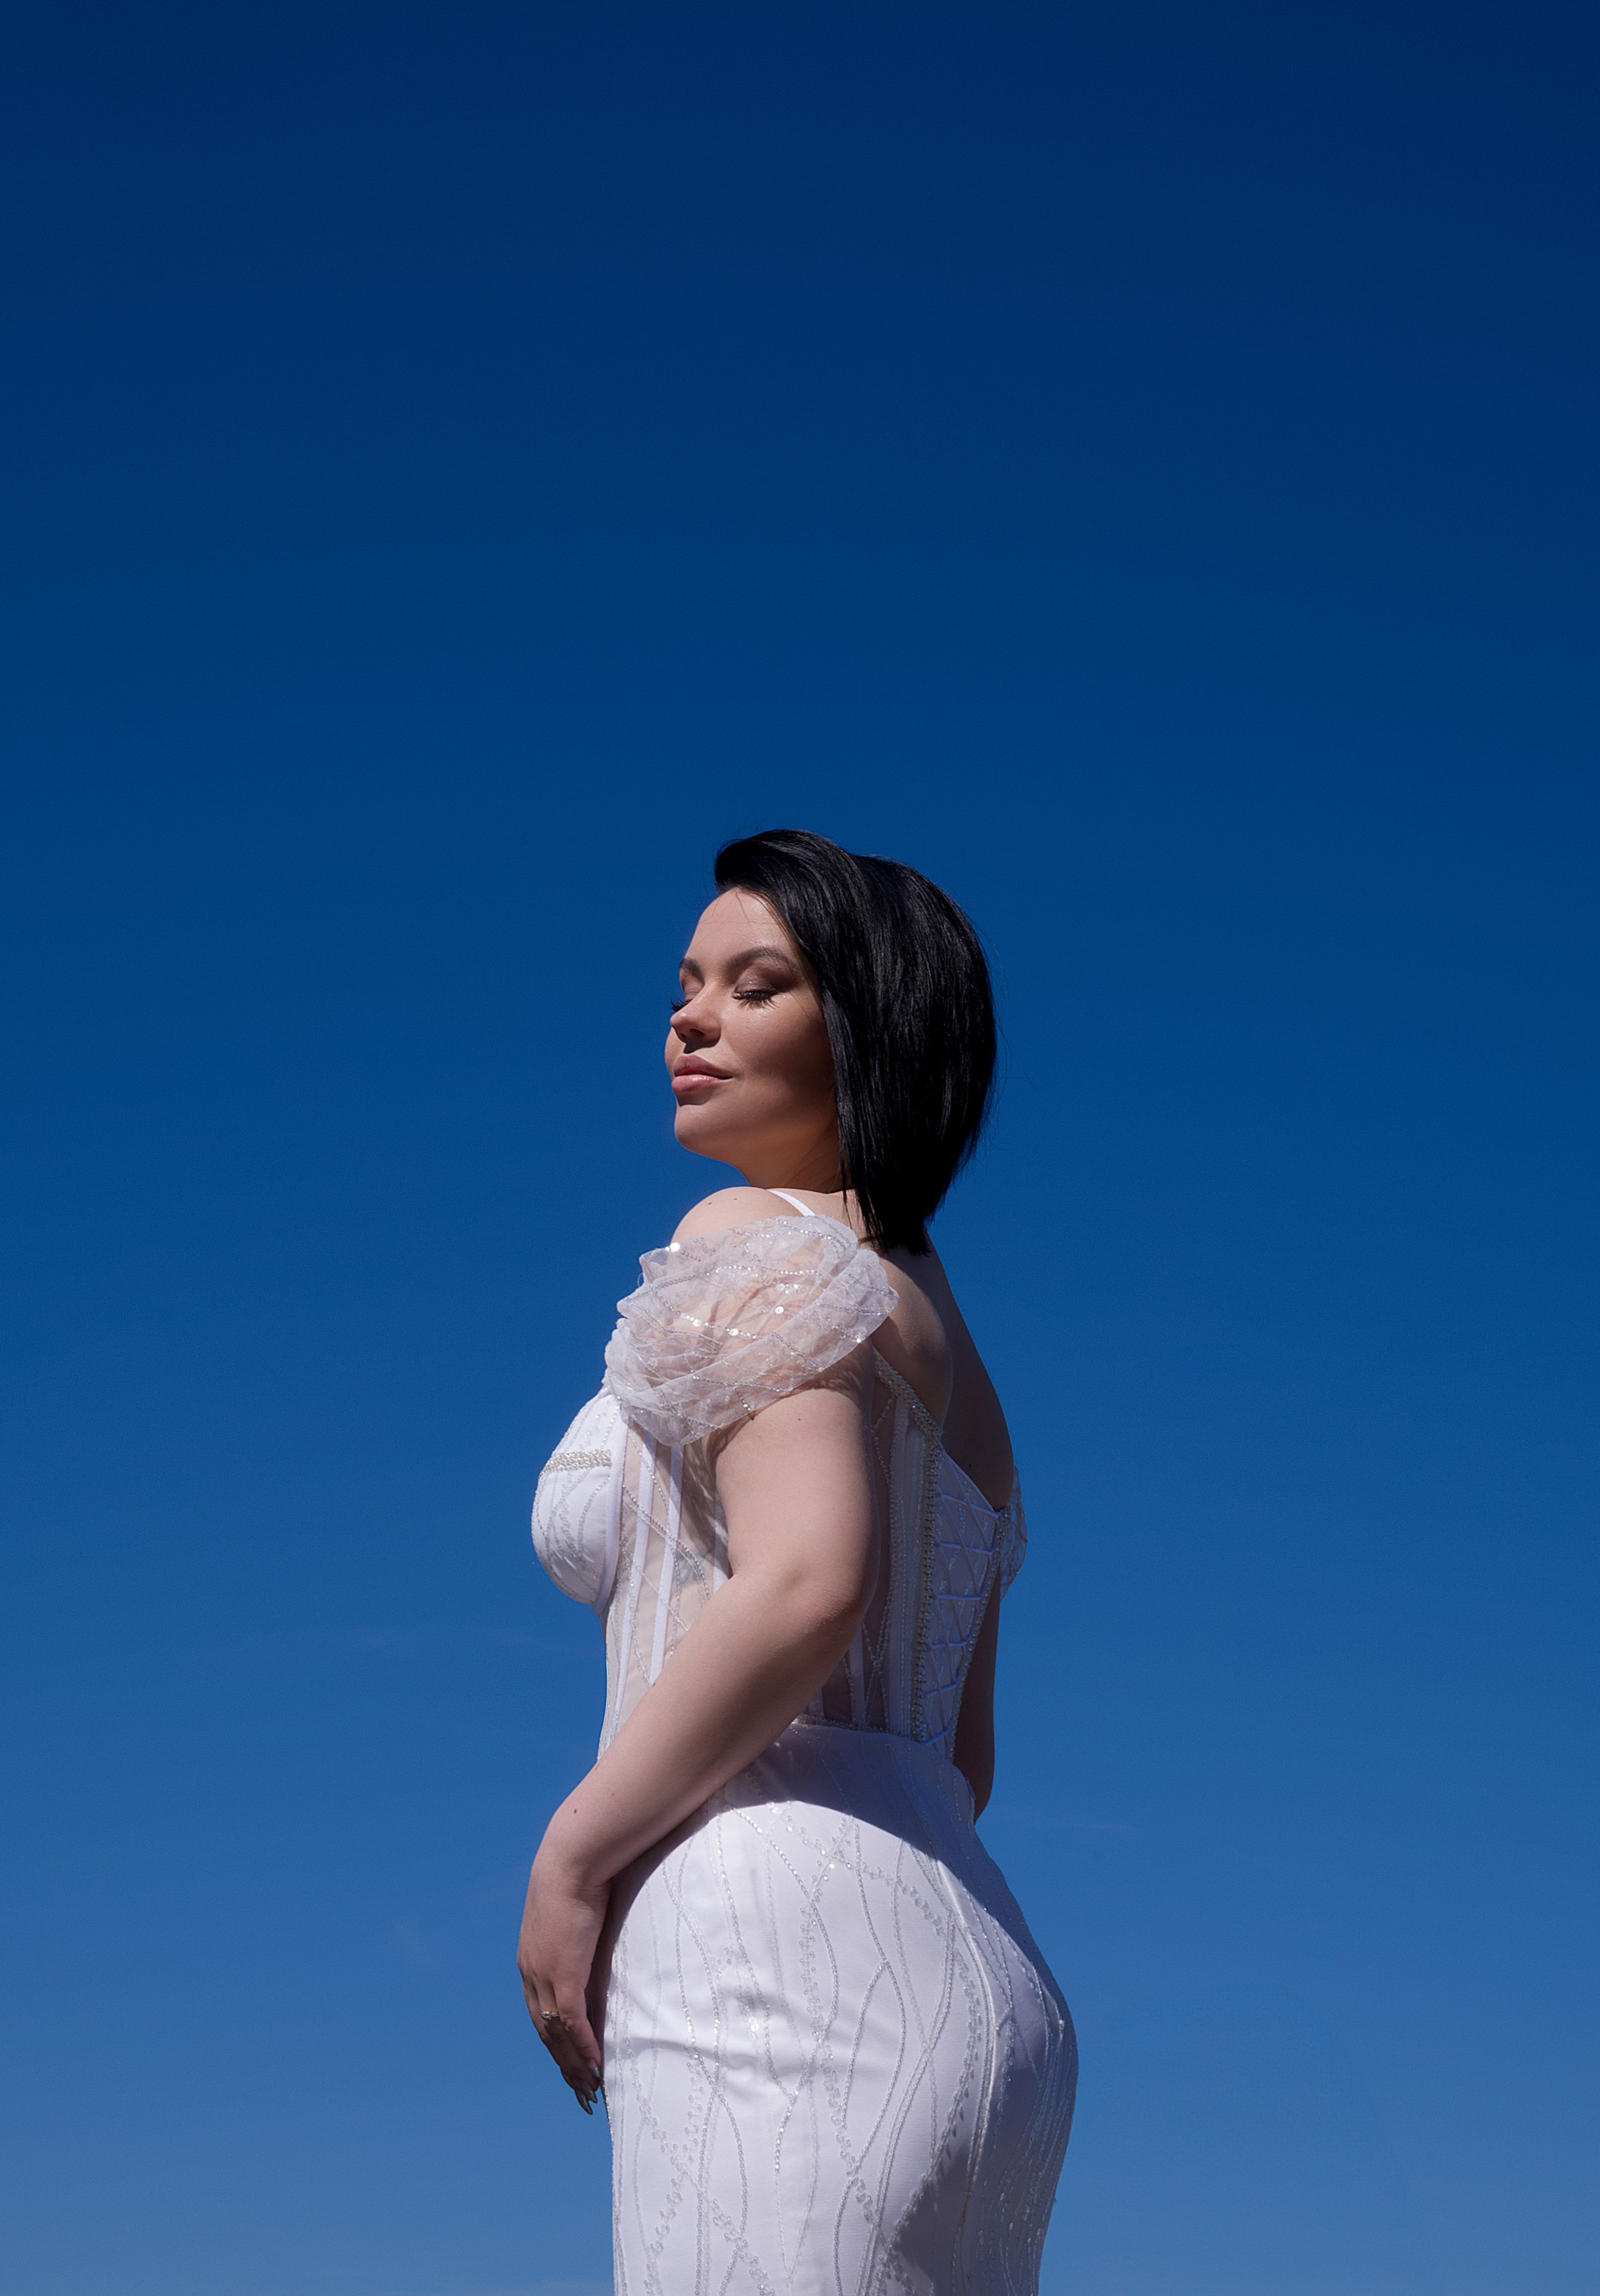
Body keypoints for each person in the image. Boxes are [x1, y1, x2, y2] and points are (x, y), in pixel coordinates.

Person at [522, 827, 1076, 2293]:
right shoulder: (960, 1362)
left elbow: (807, 1579)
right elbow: (961, 1759)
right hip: (973, 1969)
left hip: (768, 1945)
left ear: (869, 1029)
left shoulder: (751, 1237)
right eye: (688, 983)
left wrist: (575, 1861)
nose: (689, 1020)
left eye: (755, 985)